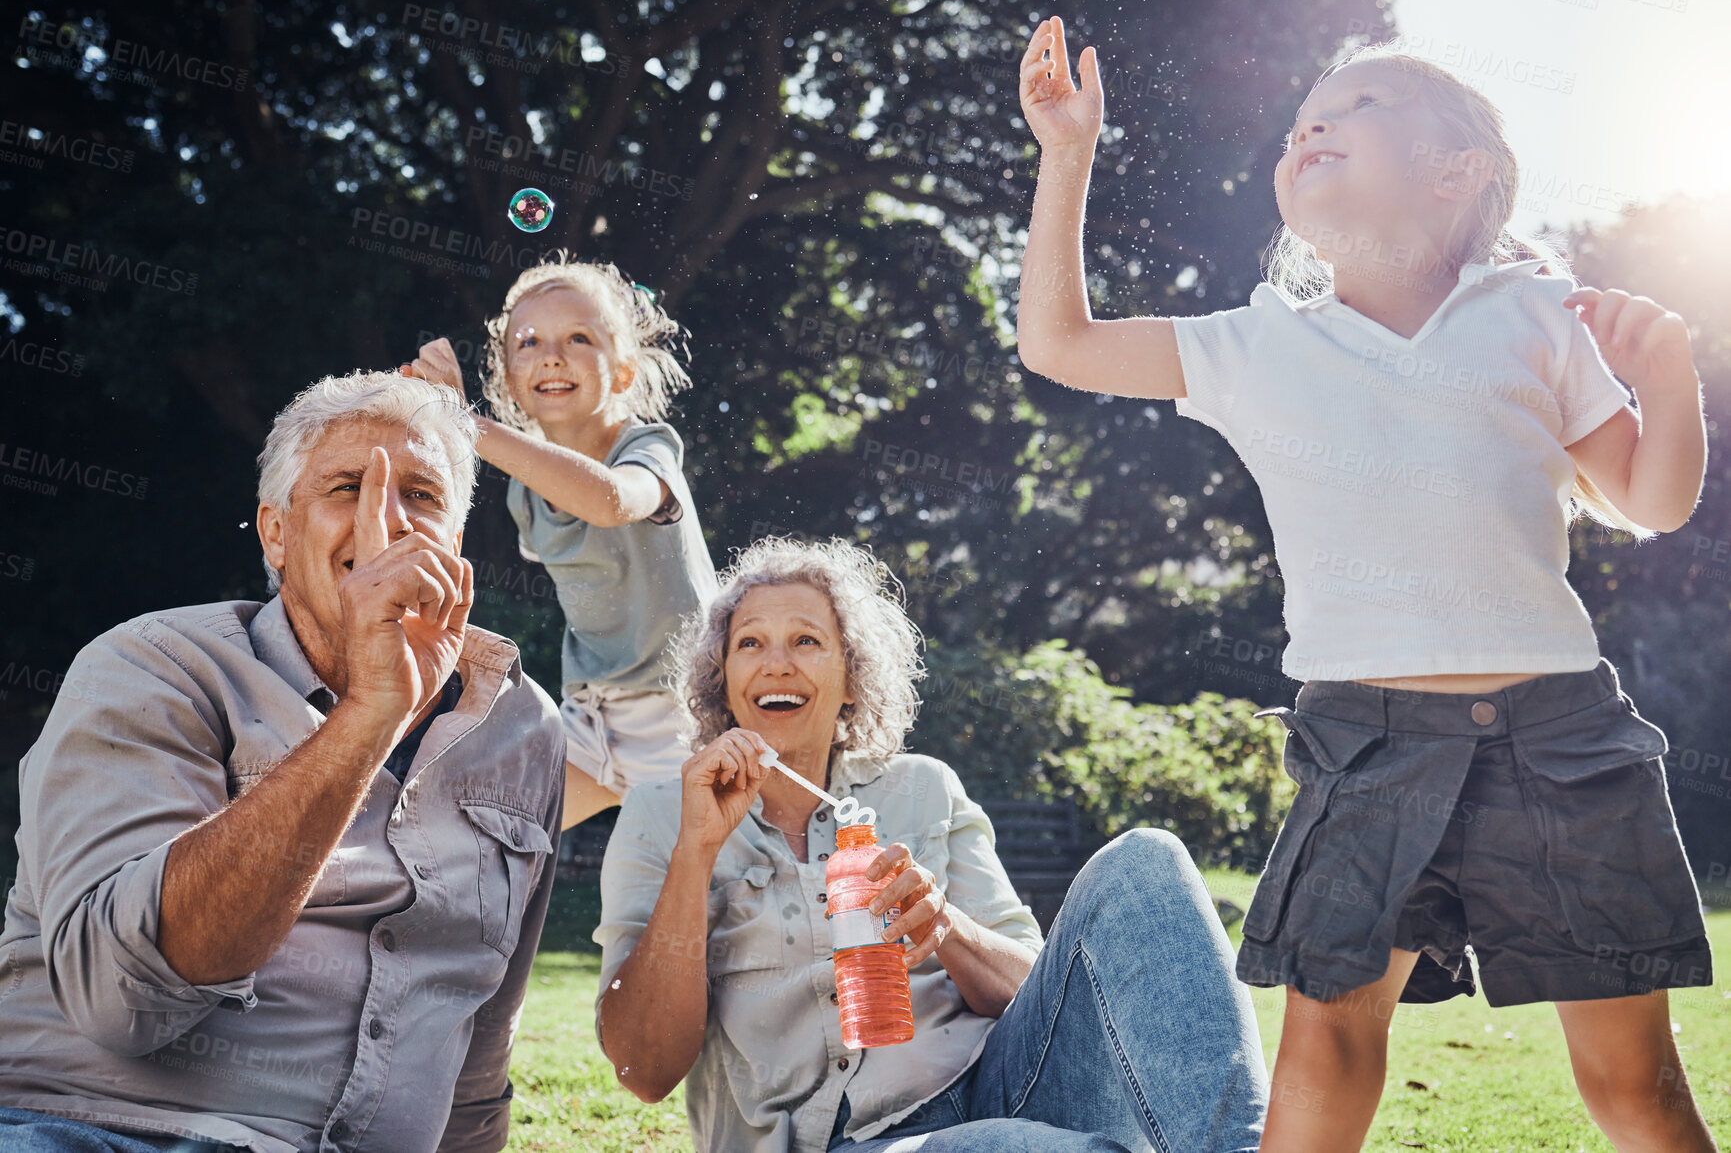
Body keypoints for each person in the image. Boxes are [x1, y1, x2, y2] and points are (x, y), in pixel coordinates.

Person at [1015, 18, 1716, 1153]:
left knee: (1633, 1086)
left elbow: (1651, 499)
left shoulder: (1537, 315)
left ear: (1460, 173)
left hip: (1560, 736)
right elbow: (1058, 342)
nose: (1315, 125)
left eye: (1363, 106)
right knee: (1328, 1048)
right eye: (1303, 123)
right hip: (1366, 744)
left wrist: (1671, 374)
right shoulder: (1254, 345)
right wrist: (1068, 156)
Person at [0, 371, 566, 1152]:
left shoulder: (523, 726)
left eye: (423, 495)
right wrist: (373, 712)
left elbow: (479, 1029)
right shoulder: (155, 666)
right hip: (90, 1128)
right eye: (347, 486)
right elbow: (119, 999)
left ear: (456, 543)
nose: (387, 519)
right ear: (275, 532)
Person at [594, 537, 1269, 1153]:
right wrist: (696, 853)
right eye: (749, 643)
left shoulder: (924, 789)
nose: (776, 662)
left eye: (805, 640)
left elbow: (1032, 996)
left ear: (852, 678)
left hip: (997, 1084)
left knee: (1145, 859)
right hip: (839, 1142)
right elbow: (642, 1068)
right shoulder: (663, 811)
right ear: (721, 678)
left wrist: (945, 924)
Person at [403, 255, 717, 831]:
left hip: (687, 719)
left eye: (579, 337)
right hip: (591, 723)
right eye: (529, 342)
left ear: (622, 373)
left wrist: (466, 423)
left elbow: (609, 502)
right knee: (468, 836)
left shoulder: (648, 449)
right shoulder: (525, 492)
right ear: (508, 378)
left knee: (708, 894)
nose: (552, 354)